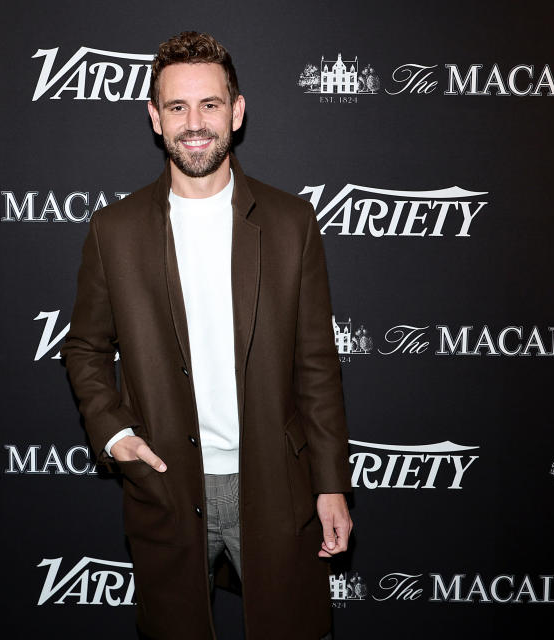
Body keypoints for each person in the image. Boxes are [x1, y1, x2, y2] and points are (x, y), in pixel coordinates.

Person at [60, 31, 352, 640]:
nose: (195, 123)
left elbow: (317, 366)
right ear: (155, 119)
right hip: (166, 485)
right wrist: (115, 435)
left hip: (277, 488)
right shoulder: (113, 230)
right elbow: (85, 348)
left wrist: (330, 483)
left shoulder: (290, 223)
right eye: (177, 107)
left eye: (210, 104)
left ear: (236, 112)